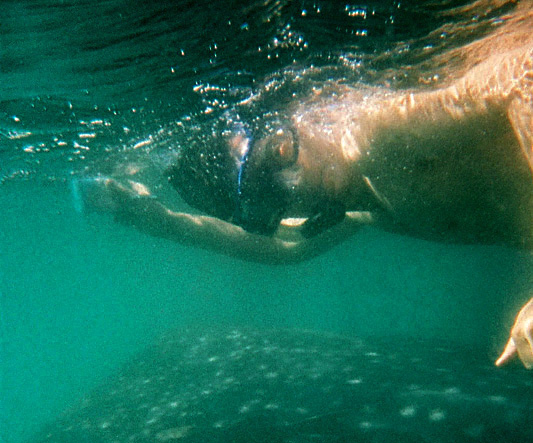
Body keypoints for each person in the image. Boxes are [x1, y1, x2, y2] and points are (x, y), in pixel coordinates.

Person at [76, 10, 533, 369]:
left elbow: (521, 70)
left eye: (277, 154)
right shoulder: (358, 201)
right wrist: (161, 221)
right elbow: (287, 246)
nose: (296, 186)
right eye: (268, 196)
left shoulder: (374, 139)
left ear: (288, 124)